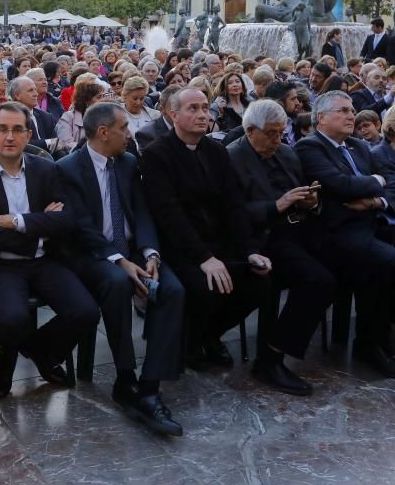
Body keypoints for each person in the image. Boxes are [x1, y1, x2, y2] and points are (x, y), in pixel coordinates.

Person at [58, 103, 185, 436]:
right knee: (117, 283)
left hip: (134, 250)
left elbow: (142, 211)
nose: (130, 134)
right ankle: (125, 376)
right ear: (103, 132)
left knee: (172, 289)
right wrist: (120, 261)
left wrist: (150, 253)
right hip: (95, 255)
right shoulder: (68, 169)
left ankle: (149, 386)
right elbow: (81, 227)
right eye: (123, 128)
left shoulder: (128, 163)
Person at [0, 102, 101, 398]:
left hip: (44, 261)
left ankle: (41, 351)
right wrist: (40, 229)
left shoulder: (46, 169)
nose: (10, 137)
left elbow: (66, 220)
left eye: (17, 130)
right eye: (3, 129)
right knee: (12, 318)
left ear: (28, 134)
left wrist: (17, 222)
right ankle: (0, 373)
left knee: (85, 311)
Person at [141, 89, 275, 370]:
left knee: (260, 282)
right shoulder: (157, 154)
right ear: (172, 114)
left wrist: (250, 250)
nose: (202, 114)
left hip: (220, 241)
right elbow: (169, 214)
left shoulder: (216, 151)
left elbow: (234, 204)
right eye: (193, 109)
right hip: (181, 247)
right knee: (208, 287)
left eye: (205, 108)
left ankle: (210, 335)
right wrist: (204, 258)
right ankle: (190, 343)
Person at [226, 100, 337, 394]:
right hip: (262, 239)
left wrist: (312, 202)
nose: (278, 139)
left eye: (281, 132)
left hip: (300, 230)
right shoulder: (232, 158)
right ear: (251, 130)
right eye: (272, 133)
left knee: (354, 260)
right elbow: (230, 213)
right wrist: (277, 205)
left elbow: (303, 193)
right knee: (318, 281)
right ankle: (271, 357)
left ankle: (365, 340)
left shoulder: (286, 153)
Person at [295, 91, 395, 377]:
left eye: (352, 110)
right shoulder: (309, 147)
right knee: (386, 262)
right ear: (322, 117)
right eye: (344, 110)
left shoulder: (358, 146)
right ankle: (369, 342)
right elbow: (340, 185)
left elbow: (390, 185)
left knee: (382, 261)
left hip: (370, 222)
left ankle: (380, 333)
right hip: (335, 233)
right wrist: (374, 181)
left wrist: (376, 199)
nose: (353, 115)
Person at [56, 75, 106, 153]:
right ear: (86, 100)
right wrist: (94, 149)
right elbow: (65, 144)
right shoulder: (68, 118)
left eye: (103, 96)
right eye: (99, 97)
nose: (103, 100)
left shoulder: (106, 116)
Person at [8, 76, 55, 147]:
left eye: (35, 90)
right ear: (17, 95)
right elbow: (19, 144)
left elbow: (56, 142)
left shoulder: (46, 117)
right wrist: (46, 143)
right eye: (30, 90)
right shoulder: (10, 118)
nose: (36, 94)